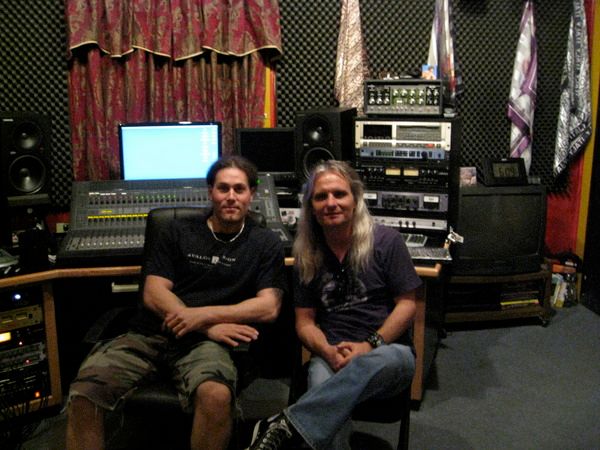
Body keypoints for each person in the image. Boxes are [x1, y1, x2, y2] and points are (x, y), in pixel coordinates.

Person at [66, 155, 287, 450]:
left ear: (252, 194)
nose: (231, 197)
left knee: (216, 395)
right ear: (210, 192)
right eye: (223, 188)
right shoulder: (176, 229)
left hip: (206, 346)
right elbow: (154, 292)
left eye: (239, 189)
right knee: (85, 391)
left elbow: (268, 306)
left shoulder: (265, 242)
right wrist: (205, 325)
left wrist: (201, 317)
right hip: (151, 333)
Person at [247, 160, 421, 450]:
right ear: (311, 207)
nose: (331, 203)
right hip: (331, 355)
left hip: (387, 352)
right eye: (321, 197)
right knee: (324, 393)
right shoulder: (306, 255)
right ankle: (299, 428)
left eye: (339, 194)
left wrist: (368, 346)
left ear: (355, 199)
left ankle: (287, 425)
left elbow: (407, 305)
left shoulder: (387, 241)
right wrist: (328, 351)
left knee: (346, 382)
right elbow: (304, 323)